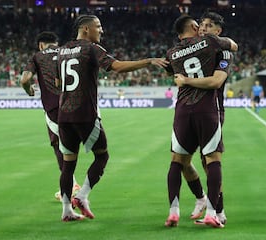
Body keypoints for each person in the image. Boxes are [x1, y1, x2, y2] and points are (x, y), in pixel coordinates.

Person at [56, 14, 168, 221]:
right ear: (86, 29)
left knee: (68, 163)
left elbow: (56, 82)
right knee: (102, 155)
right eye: (98, 26)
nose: (102, 30)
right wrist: (148, 61)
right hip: (85, 115)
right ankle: (82, 196)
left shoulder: (61, 51)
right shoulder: (91, 48)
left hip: (64, 116)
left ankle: (66, 210)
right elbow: (116, 67)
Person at [164, 14, 236, 228]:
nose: (204, 28)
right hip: (200, 108)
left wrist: (185, 79)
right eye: (202, 25)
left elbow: (216, 80)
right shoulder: (210, 44)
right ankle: (202, 200)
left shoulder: (220, 50)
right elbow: (235, 45)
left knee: (206, 161)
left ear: (218, 30)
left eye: (209, 26)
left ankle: (218, 211)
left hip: (213, 107)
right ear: (195, 27)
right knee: (187, 161)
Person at [20, 31, 80, 202]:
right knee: (74, 144)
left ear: (40, 45)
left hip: (54, 108)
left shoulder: (37, 56)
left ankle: (71, 186)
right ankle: (74, 185)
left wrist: (29, 90)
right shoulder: (66, 52)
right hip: (74, 104)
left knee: (59, 145)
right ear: (56, 42)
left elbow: (24, 80)